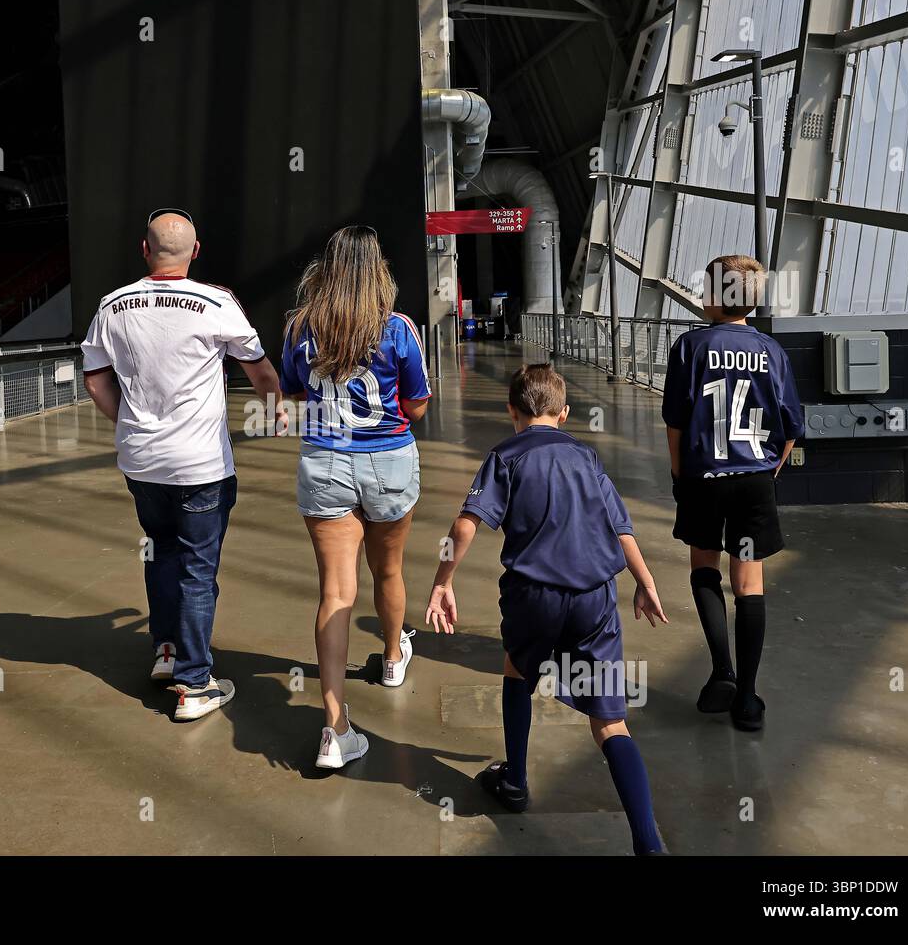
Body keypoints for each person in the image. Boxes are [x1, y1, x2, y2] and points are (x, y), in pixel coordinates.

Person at [425, 364, 668, 855]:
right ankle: (648, 843)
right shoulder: (586, 456)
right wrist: (645, 583)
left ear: (512, 412)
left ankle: (514, 780)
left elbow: (467, 523)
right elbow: (622, 530)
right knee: (610, 723)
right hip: (593, 598)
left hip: (532, 596)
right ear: (565, 412)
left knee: (517, 668)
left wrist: (442, 583)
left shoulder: (505, 455)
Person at [81, 208, 286, 722]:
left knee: (159, 549)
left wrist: (129, 422)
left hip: (141, 462)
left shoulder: (112, 305)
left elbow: (95, 381)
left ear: (144, 251)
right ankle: (194, 684)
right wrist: (276, 403)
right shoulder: (216, 302)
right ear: (195, 252)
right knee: (198, 568)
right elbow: (259, 370)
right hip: (200, 466)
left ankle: (166, 650)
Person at [279, 225, 431, 769]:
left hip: (324, 463)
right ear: (378, 269)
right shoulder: (398, 328)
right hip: (388, 460)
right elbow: (416, 407)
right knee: (388, 572)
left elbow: (294, 393)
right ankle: (392, 658)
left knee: (335, 594)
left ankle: (334, 727)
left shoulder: (301, 326)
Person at [662, 255, 804, 732]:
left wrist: (681, 478)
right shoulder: (772, 352)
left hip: (704, 476)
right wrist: (770, 472)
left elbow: (676, 424)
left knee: (704, 566)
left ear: (718, 295)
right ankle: (747, 698)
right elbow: (790, 428)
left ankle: (721, 671)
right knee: (749, 585)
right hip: (754, 480)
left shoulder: (689, 347)